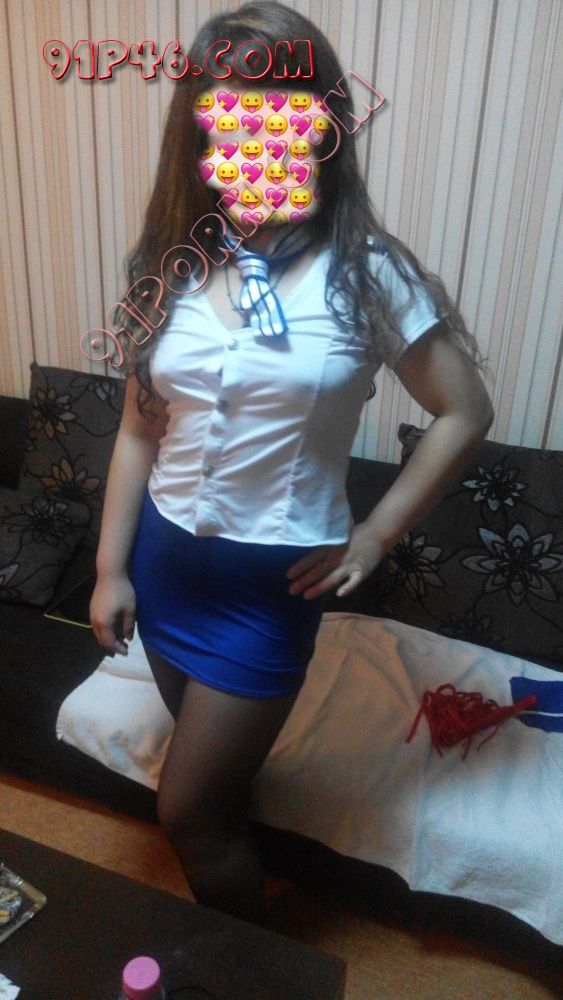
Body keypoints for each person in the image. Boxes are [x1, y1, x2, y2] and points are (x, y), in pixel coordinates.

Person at [89, 0, 494, 928]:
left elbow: (463, 411)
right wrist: (111, 568)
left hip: (264, 591)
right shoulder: (174, 263)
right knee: (219, 790)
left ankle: (257, 965)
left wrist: (376, 534)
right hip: (164, 562)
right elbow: (140, 431)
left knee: (187, 812)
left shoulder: (367, 271)